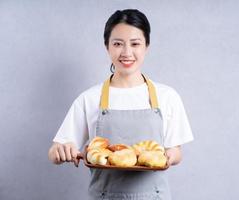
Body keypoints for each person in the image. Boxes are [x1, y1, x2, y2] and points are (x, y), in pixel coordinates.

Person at [48, 9, 193, 200]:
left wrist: (167, 157)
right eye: (117, 44)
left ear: (146, 46)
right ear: (107, 46)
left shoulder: (167, 96)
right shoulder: (89, 98)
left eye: (135, 44)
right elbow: (55, 150)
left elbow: (176, 151)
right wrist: (59, 151)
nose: (126, 53)